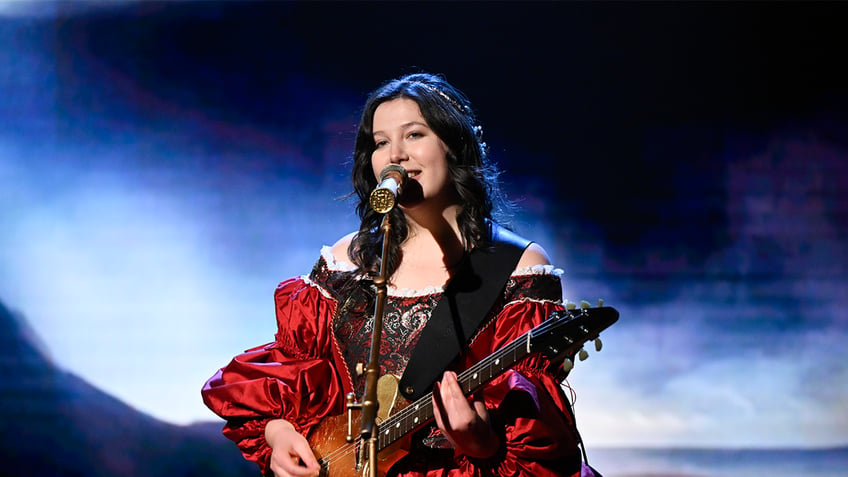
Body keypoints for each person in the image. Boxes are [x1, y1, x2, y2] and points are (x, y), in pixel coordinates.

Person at [201, 72, 592, 477]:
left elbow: (538, 430)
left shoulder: (516, 265)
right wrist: (278, 434)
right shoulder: (345, 261)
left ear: (455, 146)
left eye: (415, 135)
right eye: (381, 142)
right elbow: (291, 374)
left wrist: (483, 443)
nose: (395, 156)